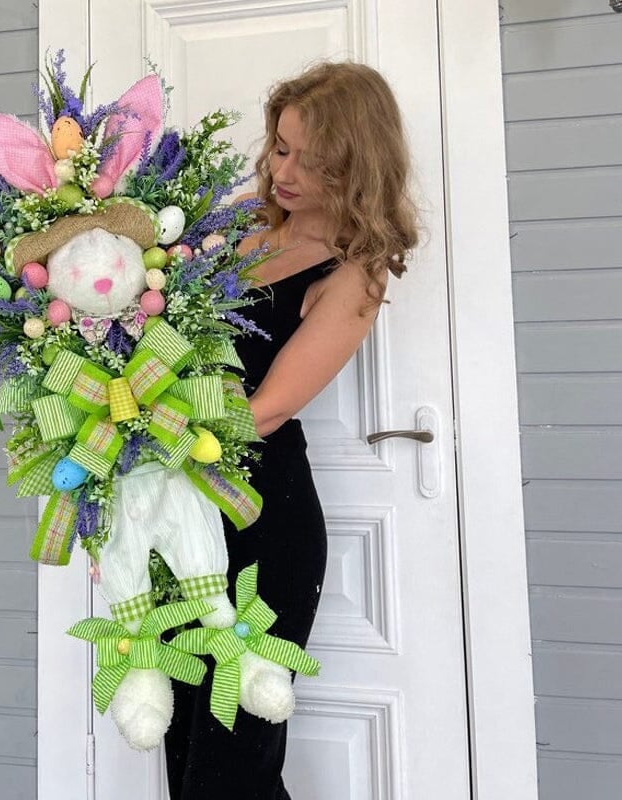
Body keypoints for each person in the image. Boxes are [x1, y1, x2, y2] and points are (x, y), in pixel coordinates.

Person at [164, 60, 419, 799]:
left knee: (235, 754)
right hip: (180, 511)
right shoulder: (244, 221)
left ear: (358, 164)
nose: (287, 172)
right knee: (184, 736)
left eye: (314, 160)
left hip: (259, 519)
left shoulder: (353, 274)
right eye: (281, 147)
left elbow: (267, 408)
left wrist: (148, 436)